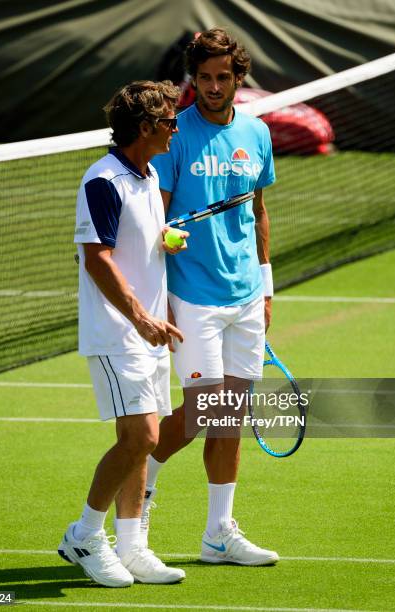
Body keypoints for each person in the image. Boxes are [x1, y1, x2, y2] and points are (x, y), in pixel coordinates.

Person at [146, 28, 279, 566]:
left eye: (223, 77)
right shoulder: (175, 137)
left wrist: (266, 287)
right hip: (194, 295)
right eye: (204, 78)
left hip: (247, 293)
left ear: (238, 76)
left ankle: (219, 534)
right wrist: (165, 240)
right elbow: (154, 215)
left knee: (230, 418)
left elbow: (259, 210)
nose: (214, 86)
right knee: (205, 410)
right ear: (192, 80)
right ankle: (140, 489)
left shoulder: (257, 132)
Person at [58, 80, 189, 587]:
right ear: (145, 128)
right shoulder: (103, 181)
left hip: (150, 330)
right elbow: (97, 258)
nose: (176, 129)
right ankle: (86, 534)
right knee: (144, 437)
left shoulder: (148, 174)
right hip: (120, 332)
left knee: (136, 443)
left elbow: (133, 242)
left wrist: (165, 240)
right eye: (169, 122)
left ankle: (132, 546)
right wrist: (138, 317)